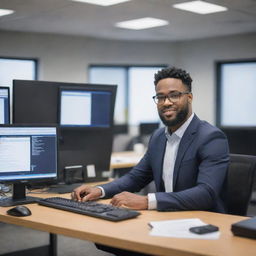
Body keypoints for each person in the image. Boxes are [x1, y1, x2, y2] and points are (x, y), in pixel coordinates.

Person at [72, 66, 229, 255]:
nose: (166, 102)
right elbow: (136, 177)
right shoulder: (158, 137)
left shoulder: (211, 137)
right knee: (109, 238)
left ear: (189, 97)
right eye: (160, 97)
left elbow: (206, 193)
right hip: (166, 220)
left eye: (174, 95)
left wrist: (148, 201)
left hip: (202, 224)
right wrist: (100, 190)